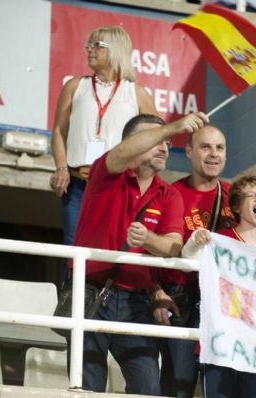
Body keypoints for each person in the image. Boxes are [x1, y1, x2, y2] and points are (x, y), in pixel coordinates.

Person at [72, 111, 208, 394]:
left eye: (168, 142)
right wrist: (174, 126)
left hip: (138, 304)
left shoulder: (169, 194)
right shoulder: (105, 173)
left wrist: (147, 239)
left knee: (148, 394)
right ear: (133, 142)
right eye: (157, 139)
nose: (164, 146)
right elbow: (121, 152)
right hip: (90, 295)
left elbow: (173, 246)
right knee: (86, 392)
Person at [182, 174, 256, 398]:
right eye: (251, 195)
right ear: (237, 207)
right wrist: (194, 241)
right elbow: (187, 257)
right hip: (221, 341)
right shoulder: (220, 240)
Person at [50, 26, 156, 249]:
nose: (89, 49)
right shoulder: (75, 86)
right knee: (73, 247)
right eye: (89, 44)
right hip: (78, 184)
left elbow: (155, 137)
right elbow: (59, 131)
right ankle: (69, 286)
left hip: (117, 185)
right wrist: (61, 168)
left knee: (110, 246)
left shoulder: (137, 93)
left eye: (98, 45)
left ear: (117, 50)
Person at [158, 125, 235, 398]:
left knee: (220, 394)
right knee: (177, 390)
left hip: (222, 305)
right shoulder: (169, 193)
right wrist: (156, 292)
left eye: (220, 148)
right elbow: (151, 250)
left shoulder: (235, 198)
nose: (214, 154)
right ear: (189, 151)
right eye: (205, 147)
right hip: (181, 302)